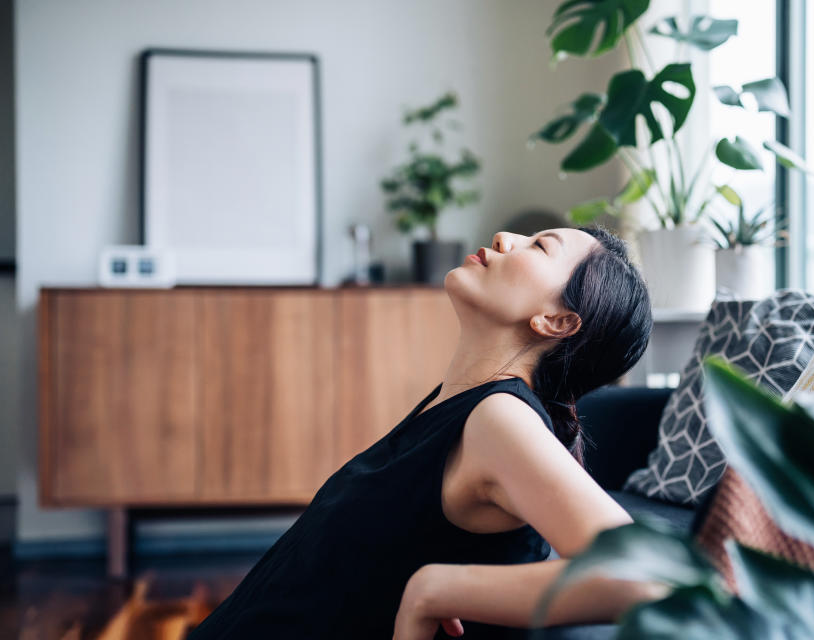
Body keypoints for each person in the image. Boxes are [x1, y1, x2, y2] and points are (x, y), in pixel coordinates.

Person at [187, 225, 661, 640]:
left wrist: (433, 590)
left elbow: (646, 576)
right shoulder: (461, 406)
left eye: (539, 247)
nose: (504, 238)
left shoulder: (500, 420)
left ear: (557, 321)